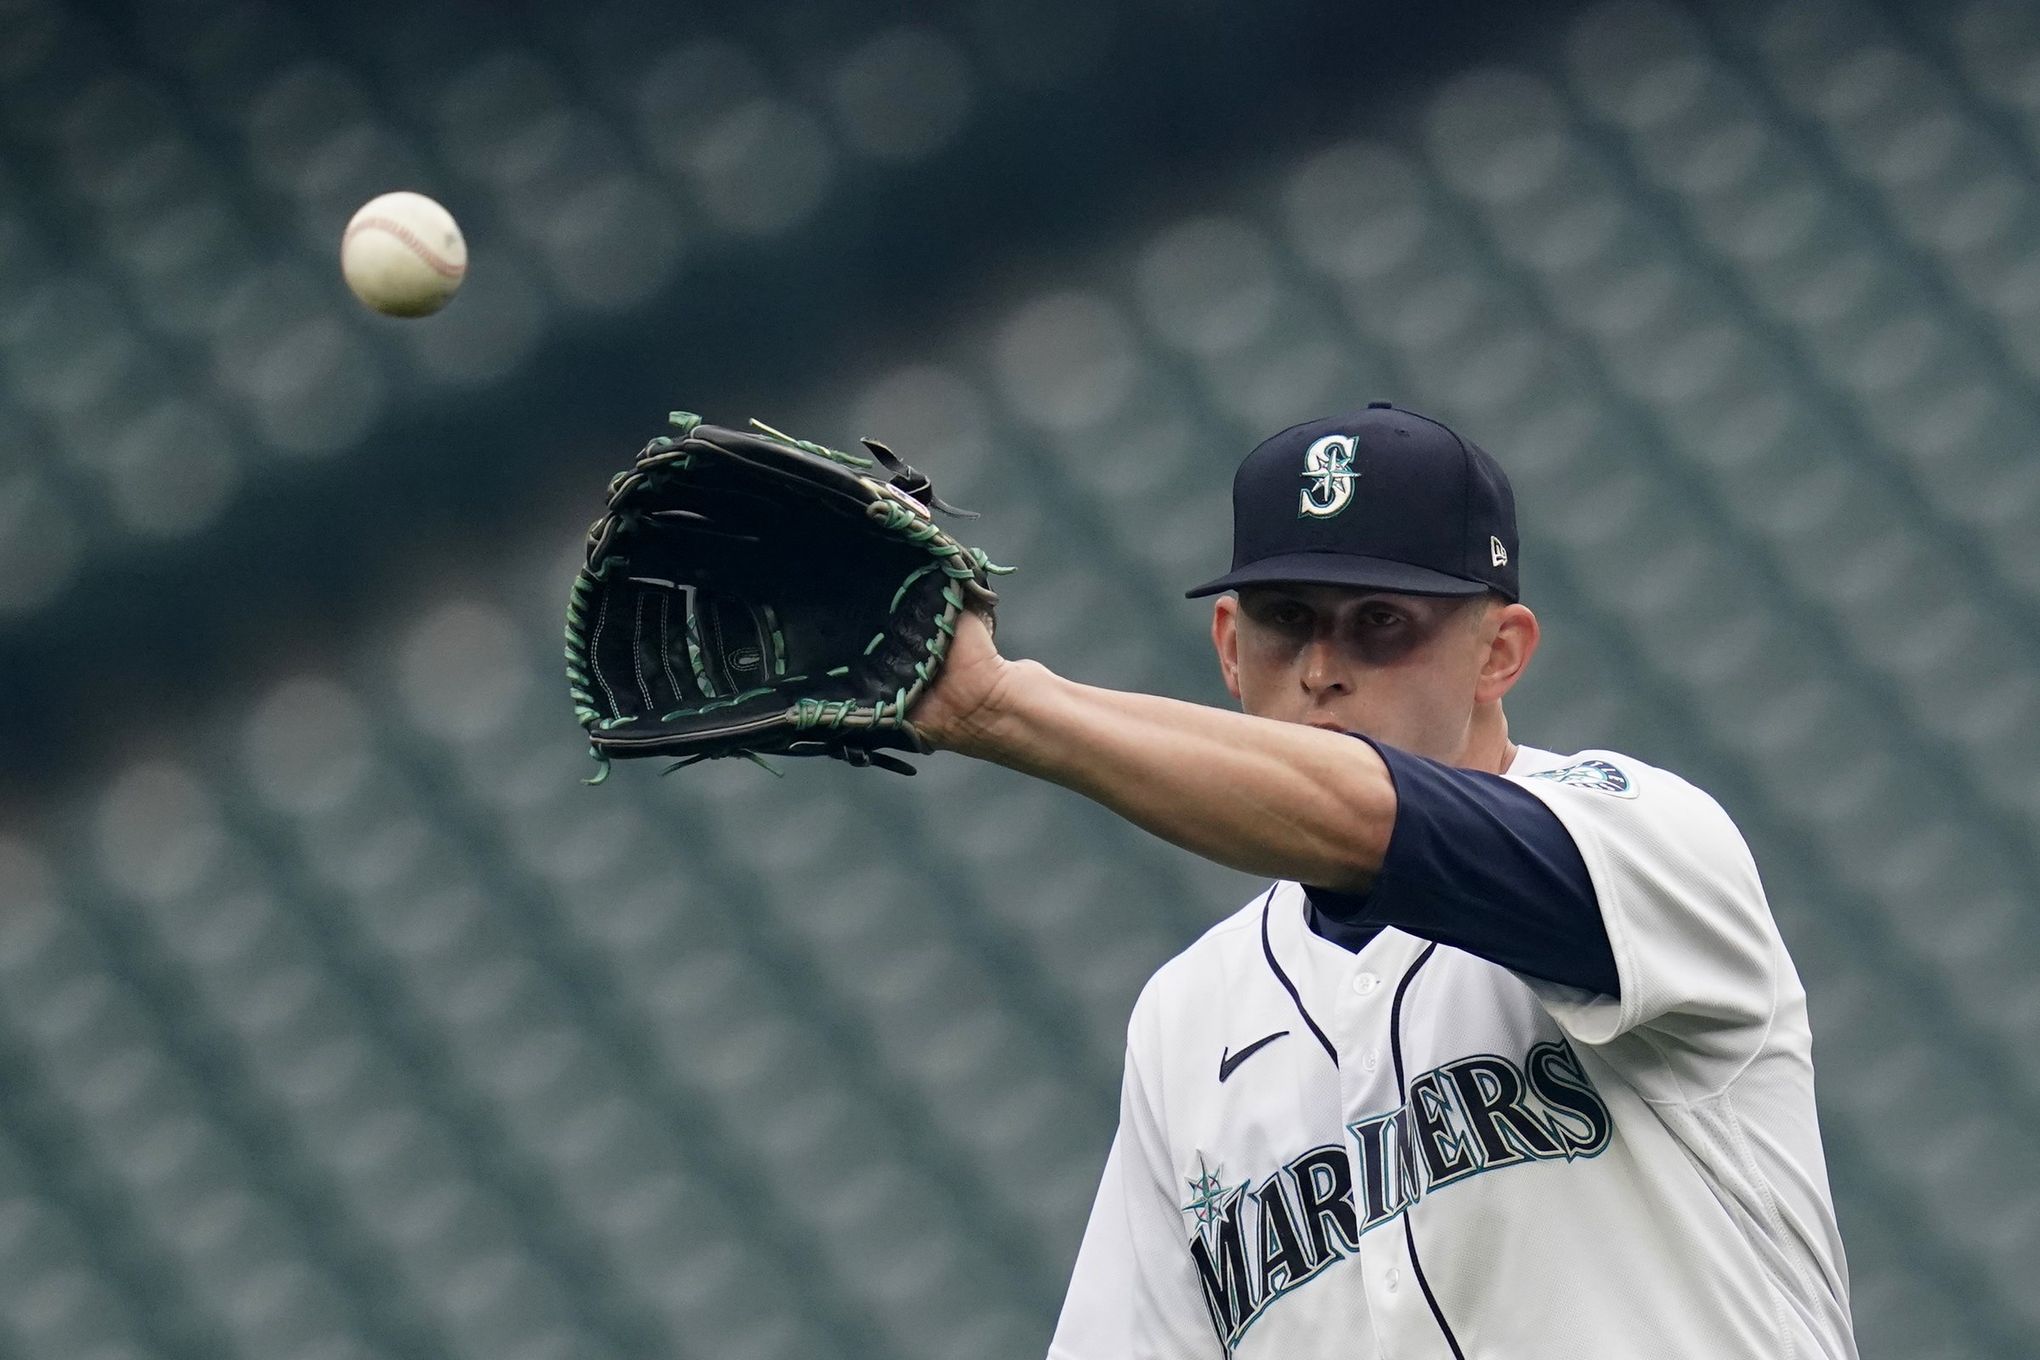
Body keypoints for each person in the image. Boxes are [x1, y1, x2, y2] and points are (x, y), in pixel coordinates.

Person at [911, 403, 1857, 1359]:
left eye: (1381, 624)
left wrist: (999, 704)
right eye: (1288, 622)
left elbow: (1376, 821)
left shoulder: (1644, 839)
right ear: (1231, 645)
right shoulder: (1185, 1018)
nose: (1323, 668)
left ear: (1501, 652)